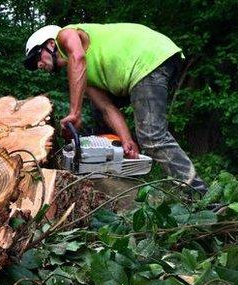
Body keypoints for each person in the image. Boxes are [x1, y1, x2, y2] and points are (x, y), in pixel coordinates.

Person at [23, 23, 207, 194]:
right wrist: (127, 140)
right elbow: (107, 108)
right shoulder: (87, 79)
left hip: (148, 58)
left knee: (152, 136)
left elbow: (77, 57)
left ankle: (202, 196)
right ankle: (112, 179)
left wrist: (74, 112)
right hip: (147, 66)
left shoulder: (65, 34)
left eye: (37, 57)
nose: (39, 65)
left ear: (50, 44)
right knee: (99, 119)